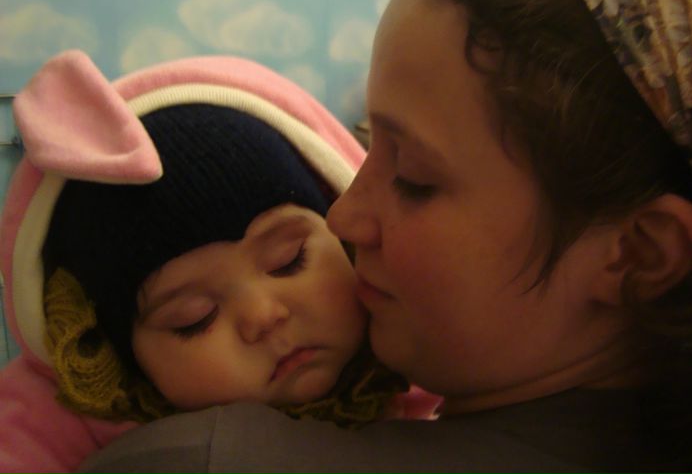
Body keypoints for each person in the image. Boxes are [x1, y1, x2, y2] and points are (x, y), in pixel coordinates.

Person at [80, 0, 692, 474]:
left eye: (415, 178)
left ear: (638, 253)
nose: (345, 217)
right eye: (369, 145)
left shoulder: (204, 462)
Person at [0, 50, 428, 474]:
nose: (263, 316)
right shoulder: (63, 421)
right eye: (195, 318)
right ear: (116, 358)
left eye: (288, 261)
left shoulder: (411, 344)